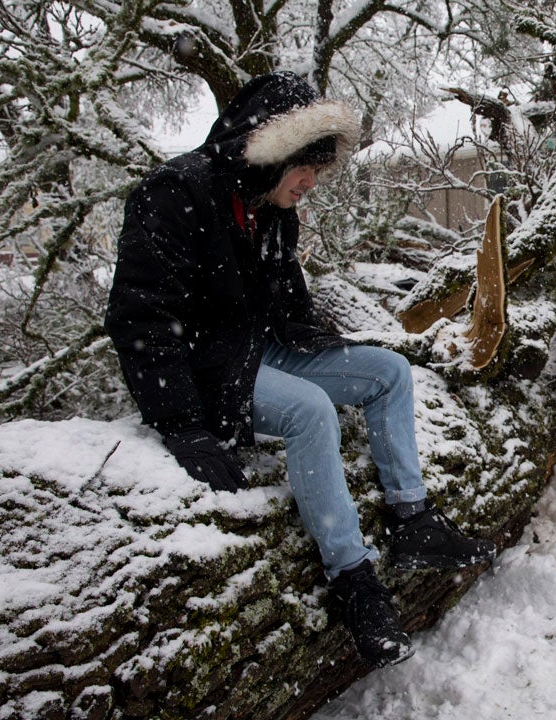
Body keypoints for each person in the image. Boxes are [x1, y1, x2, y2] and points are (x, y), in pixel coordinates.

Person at [105, 71, 495, 668]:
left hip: (263, 349)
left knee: (388, 371)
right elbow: (141, 318)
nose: (313, 183)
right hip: (208, 368)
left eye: (319, 168)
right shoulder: (174, 193)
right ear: (272, 156)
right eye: (305, 167)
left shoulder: (271, 208)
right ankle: (353, 582)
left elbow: (286, 296)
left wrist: (318, 340)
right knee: (311, 412)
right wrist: (181, 422)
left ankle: (412, 521)